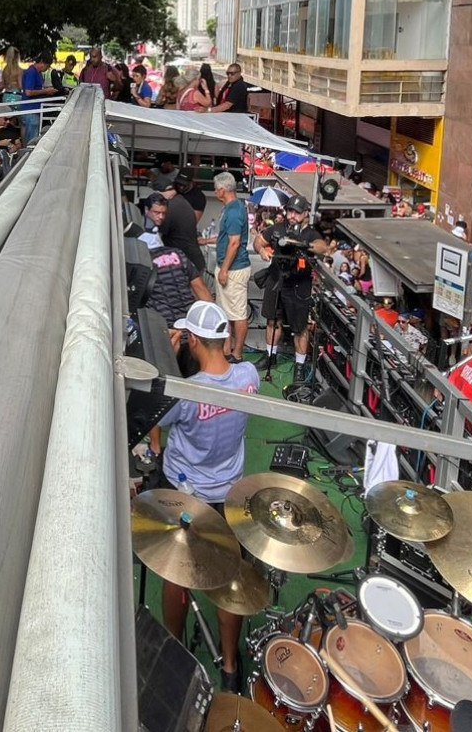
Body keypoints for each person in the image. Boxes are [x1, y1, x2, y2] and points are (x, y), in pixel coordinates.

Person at [148, 301, 259, 693]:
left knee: (177, 574)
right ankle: (230, 668)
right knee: (230, 577)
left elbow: (156, 420)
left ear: (192, 339)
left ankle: (175, 653)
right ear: (224, 337)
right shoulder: (249, 376)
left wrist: (173, 356)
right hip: (230, 494)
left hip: (188, 497)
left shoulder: (186, 392)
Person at [254, 197, 324, 383]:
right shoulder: (277, 228)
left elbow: (322, 247)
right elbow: (258, 241)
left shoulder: (309, 233)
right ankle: (270, 356)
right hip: (277, 279)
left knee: (300, 328)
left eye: (297, 212)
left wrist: (305, 246)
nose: (292, 215)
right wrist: (262, 251)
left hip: (299, 286)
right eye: (290, 211)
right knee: (272, 320)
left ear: (305, 214)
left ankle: (299, 366)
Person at [140, 196, 212, 326]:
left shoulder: (175, 254)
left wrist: (213, 318)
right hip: (167, 321)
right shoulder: (140, 237)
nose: (160, 217)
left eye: (163, 213)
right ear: (146, 210)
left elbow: (201, 290)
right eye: (156, 212)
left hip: (183, 265)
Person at [210, 172, 251, 363]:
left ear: (222, 190)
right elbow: (227, 238)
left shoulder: (233, 211)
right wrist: (206, 240)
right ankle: (227, 350)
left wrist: (225, 269)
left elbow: (234, 242)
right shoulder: (234, 208)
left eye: (216, 189)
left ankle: (237, 353)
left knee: (237, 313)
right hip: (229, 268)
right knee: (225, 312)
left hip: (234, 270)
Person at [156, 175, 205, 274]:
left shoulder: (170, 207)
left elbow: (157, 236)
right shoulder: (180, 201)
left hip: (186, 263)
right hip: (189, 260)